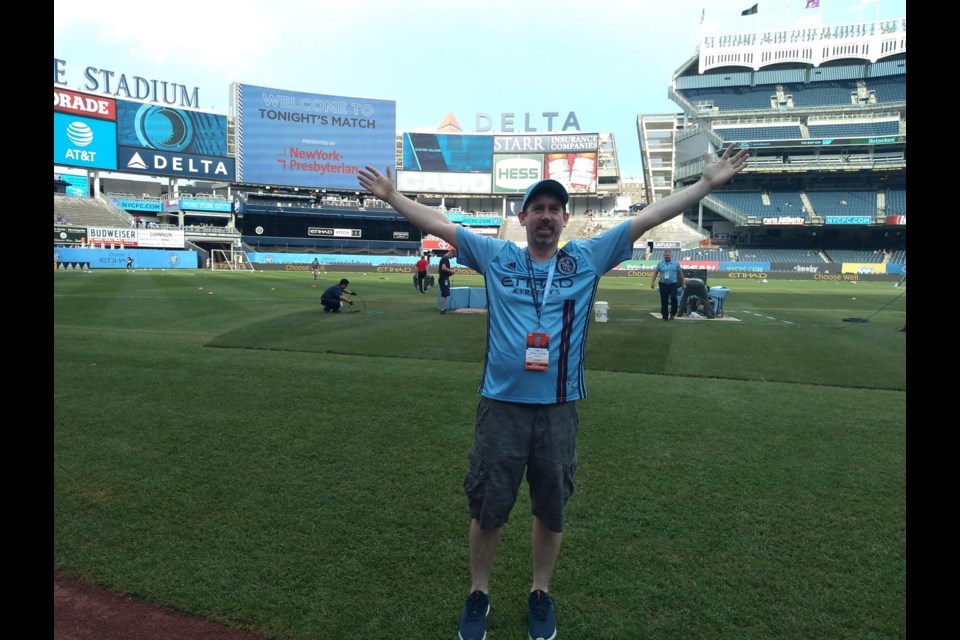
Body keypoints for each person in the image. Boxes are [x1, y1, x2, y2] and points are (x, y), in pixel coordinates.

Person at [357, 142, 749, 640]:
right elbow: (438, 225)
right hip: (500, 406)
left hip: (559, 410)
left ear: (566, 219)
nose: (545, 216)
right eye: (536, 208)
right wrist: (393, 196)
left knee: (551, 508)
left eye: (553, 209)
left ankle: (540, 591)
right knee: (489, 507)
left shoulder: (586, 259)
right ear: (522, 218)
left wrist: (707, 185)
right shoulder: (496, 257)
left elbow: (648, 217)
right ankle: (479, 593)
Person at [650, 249, 684, 320]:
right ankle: (665, 316)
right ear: (663, 256)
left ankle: (672, 313)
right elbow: (656, 273)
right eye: (665, 255)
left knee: (674, 298)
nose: (666, 257)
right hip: (663, 284)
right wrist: (653, 282)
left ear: (671, 255)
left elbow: (680, 274)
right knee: (664, 300)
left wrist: (683, 284)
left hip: (673, 284)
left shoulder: (676, 263)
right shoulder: (660, 263)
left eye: (667, 255)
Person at [438, 248, 457, 314]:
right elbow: (443, 268)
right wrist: (452, 271)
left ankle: (443, 309)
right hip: (444, 278)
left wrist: (451, 271)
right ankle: (442, 309)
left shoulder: (444, 258)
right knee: (444, 294)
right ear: (451, 253)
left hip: (444, 278)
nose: (453, 257)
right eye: (453, 256)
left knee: (445, 294)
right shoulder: (445, 258)